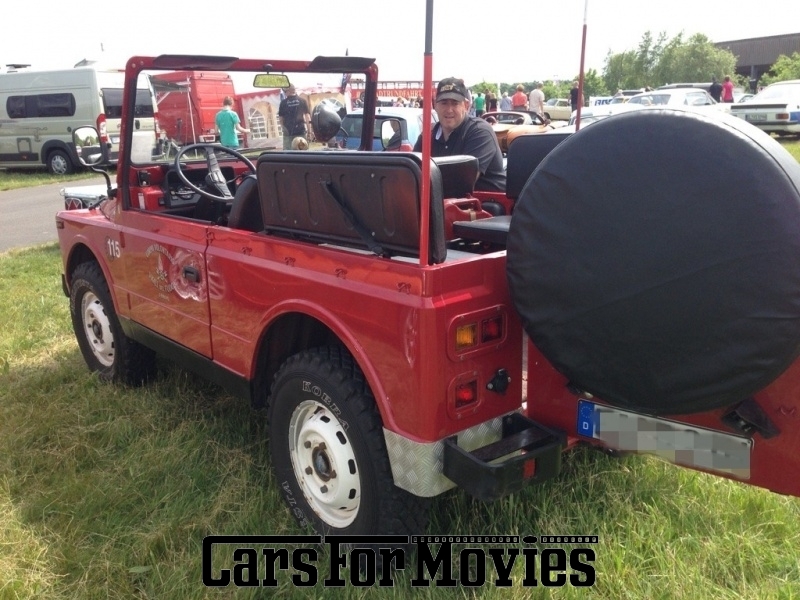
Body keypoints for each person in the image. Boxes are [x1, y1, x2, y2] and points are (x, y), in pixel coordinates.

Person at [413, 77, 505, 192]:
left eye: (455, 103)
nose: (449, 109)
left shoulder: (479, 132)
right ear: (435, 106)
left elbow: (462, 184)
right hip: (443, 204)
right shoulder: (427, 137)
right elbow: (413, 174)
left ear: (466, 106)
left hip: (485, 204)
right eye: (444, 103)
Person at [278, 85, 311, 150]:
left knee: (288, 154)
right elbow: (307, 117)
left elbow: (281, 119)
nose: (285, 93)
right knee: (303, 154)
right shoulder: (302, 101)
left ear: (288, 91)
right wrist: (309, 132)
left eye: (285, 91)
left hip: (288, 133)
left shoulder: (283, 103)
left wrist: (283, 129)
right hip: (301, 131)